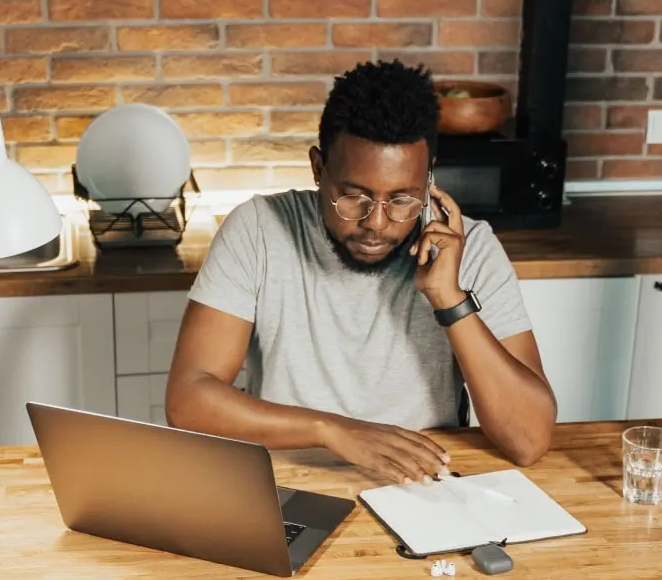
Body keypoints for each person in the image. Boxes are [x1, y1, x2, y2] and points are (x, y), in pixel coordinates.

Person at [165, 59, 556, 485]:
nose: (377, 223)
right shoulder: (259, 229)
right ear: (318, 169)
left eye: (403, 199)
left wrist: (451, 300)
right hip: (294, 476)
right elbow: (188, 400)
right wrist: (334, 431)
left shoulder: (470, 247)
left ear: (428, 180)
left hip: (425, 479)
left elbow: (529, 440)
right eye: (354, 198)